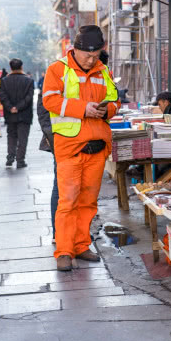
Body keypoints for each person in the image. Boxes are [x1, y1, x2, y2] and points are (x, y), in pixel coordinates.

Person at [42, 25, 121, 271]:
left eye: (96, 55)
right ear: (75, 49)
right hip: (70, 148)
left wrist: (106, 109)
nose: (92, 59)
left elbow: (115, 100)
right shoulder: (57, 70)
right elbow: (50, 100)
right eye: (88, 55)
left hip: (97, 148)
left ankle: (81, 245)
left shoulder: (103, 71)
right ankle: (64, 251)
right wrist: (83, 108)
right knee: (68, 202)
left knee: (88, 202)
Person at [0, 58, 34, 168]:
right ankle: (20, 160)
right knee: (23, 138)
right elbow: (29, 97)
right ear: (21, 67)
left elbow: (3, 97)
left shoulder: (4, 81)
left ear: (11, 68)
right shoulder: (29, 81)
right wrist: (18, 107)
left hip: (10, 115)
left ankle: (10, 156)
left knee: (11, 136)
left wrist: (11, 108)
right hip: (24, 114)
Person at [37, 87, 58, 244]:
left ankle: (80, 236)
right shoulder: (56, 73)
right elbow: (44, 115)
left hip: (85, 143)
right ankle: (58, 233)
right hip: (60, 144)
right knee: (61, 186)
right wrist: (55, 139)